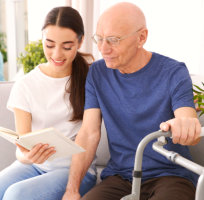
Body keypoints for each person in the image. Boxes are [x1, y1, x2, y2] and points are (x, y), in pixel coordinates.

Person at [63, 2, 201, 200]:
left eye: (113, 40)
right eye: (99, 39)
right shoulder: (97, 73)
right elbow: (88, 133)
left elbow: (188, 122)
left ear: (141, 37)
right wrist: (72, 190)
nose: (103, 49)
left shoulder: (174, 72)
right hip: (121, 177)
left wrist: (185, 126)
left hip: (171, 176)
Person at [0, 6, 96, 200]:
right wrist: (27, 157)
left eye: (67, 46)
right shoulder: (26, 85)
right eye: (49, 45)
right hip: (36, 166)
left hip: (75, 171)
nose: (57, 54)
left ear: (80, 41)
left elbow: (91, 133)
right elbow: (22, 148)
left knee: (15, 195)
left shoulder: (90, 79)